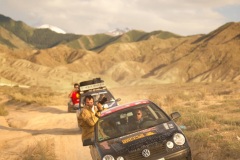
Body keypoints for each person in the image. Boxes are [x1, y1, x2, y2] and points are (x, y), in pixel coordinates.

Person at [77, 95, 104, 159]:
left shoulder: (94, 109)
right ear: (85, 103)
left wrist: (100, 108)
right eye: (87, 102)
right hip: (91, 137)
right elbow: (92, 123)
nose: (89, 104)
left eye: (91, 102)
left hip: (98, 135)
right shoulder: (84, 111)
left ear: (93, 102)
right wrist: (99, 111)